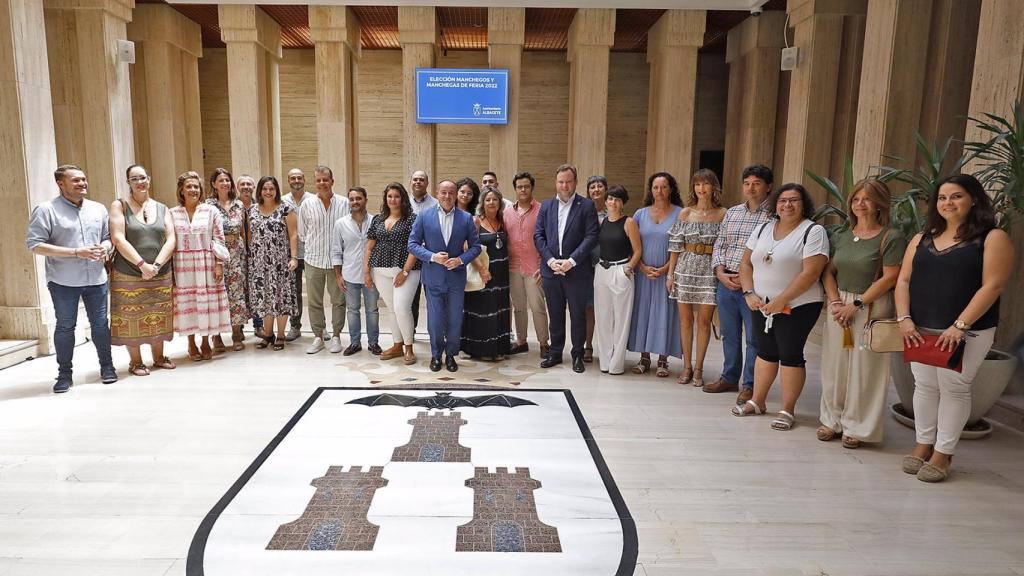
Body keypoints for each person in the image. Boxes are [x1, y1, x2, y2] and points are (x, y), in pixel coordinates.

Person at [896, 174, 1013, 482]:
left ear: (974, 199)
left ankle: (943, 454)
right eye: (942, 197)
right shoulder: (921, 239)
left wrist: (960, 325)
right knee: (924, 386)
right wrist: (904, 318)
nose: (948, 203)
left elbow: (993, 285)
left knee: (954, 388)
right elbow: (904, 280)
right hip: (920, 327)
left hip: (966, 332)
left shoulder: (992, 237)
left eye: (956, 196)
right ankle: (923, 445)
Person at [732, 183, 829, 432]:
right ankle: (758, 401)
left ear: (803, 203)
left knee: (790, 354)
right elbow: (745, 264)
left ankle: (787, 409)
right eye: (783, 200)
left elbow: (811, 272)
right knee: (765, 352)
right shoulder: (763, 228)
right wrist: (749, 292)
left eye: (794, 200)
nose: (787, 205)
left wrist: (782, 299)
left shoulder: (813, 231)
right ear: (775, 204)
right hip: (762, 305)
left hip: (798, 305)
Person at [819, 179, 906, 448]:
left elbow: (891, 277)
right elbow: (827, 272)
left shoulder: (891, 237)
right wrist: (835, 301)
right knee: (834, 364)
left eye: (867, 199)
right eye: (856, 199)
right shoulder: (842, 235)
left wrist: (855, 305)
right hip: (839, 306)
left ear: (880, 203)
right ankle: (831, 419)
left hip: (870, 306)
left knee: (866, 368)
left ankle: (858, 426)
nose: (860, 204)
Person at [26, 165, 117, 392]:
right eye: (76, 180)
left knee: (100, 325)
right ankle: (64, 375)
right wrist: (76, 252)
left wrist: (104, 248)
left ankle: (107, 367)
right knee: (66, 327)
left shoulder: (98, 209)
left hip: (96, 278)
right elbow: (35, 245)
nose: (82, 183)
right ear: (61, 184)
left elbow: (108, 237)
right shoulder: (46, 210)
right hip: (63, 280)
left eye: (84, 179)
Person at [706, 164, 773, 403]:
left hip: (755, 286)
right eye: (747, 183)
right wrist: (720, 272)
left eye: (756, 183)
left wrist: (747, 282)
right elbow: (720, 244)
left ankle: (750, 384)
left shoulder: (774, 216)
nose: (751, 188)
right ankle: (729, 376)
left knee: (754, 337)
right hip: (726, 282)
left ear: (768, 187)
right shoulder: (732, 213)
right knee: (729, 334)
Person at [108, 164, 177, 377]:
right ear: (128, 182)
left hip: (160, 271)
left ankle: (158, 357)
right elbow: (118, 238)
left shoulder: (162, 207)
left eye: (143, 177)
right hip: (128, 271)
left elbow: (171, 237)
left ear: (150, 179)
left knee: (159, 314)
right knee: (132, 317)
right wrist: (141, 265)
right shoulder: (119, 205)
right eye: (135, 178)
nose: (140, 182)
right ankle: (135, 362)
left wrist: (155, 266)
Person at [409, 179, 482, 372]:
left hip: (456, 277)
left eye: (451, 193)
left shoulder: (465, 218)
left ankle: (451, 355)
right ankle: (435, 355)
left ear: (456, 194)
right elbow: (413, 244)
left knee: (455, 318)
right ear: (437, 193)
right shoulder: (424, 216)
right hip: (433, 277)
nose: (447, 196)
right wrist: (432, 257)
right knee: (435, 319)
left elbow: (475, 247)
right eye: (443, 192)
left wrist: (460, 260)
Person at [534, 164, 599, 373]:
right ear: (556, 183)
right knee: (555, 313)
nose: (564, 185)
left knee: (578, 315)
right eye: (561, 181)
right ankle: (555, 353)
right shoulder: (546, 207)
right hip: (551, 270)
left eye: (568, 181)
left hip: (576, 270)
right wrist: (551, 260)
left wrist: (571, 261)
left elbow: (591, 237)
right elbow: (538, 235)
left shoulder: (586, 206)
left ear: (575, 182)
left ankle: (578, 354)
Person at [666, 169, 726, 387]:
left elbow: (725, 245)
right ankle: (686, 366)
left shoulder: (723, 214)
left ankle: (699, 367)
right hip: (685, 267)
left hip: (709, 270)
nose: (701, 189)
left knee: (704, 321)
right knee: (685, 321)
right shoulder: (685, 213)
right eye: (697, 184)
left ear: (713, 187)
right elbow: (675, 246)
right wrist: (670, 274)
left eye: (706, 184)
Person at [170, 171, 231, 362]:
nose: (193, 190)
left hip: (206, 263)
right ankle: (190, 342)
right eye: (189, 186)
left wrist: (219, 263)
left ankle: (205, 341)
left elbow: (219, 238)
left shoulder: (210, 211)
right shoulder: (172, 213)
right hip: (182, 265)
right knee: (188, 304)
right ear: (181, 190)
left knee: (206, 303)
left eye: (196, 186)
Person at [628, 172, 683, 377]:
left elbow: (681, 246)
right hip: (643, 274)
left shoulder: (680, 213)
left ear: (671, 189)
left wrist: (666, 269)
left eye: (664, 187)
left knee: (664, 314)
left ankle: (663, 359)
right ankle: (644, 358)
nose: (659, 191)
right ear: (650, 190)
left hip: (667, 274)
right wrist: (641, 266)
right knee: (642, 312)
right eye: (655, 187)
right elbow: (632, 244)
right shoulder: (640, 214)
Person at [365, 183, 421, 364]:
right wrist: (366, 270)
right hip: (380, 270)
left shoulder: (412, 219)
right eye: (389, 196)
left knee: (402, 308)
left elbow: (415, 247)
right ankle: (397, 345)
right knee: (391, 309)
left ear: (403, 198)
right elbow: (370, 246)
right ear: (385, 198)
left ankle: (409, 348)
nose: (393, 199)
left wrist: (404, 272)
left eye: (396, 196)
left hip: (407, 270)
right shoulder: (378, 220)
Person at [298, 165, 349, 354]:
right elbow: (303, 234)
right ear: (315, 182)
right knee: (314, 302)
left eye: (325, 179)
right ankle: (318, 336)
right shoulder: (307, 204)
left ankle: (336, 336)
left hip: (337, 264)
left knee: (338, 301)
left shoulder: (344, 203)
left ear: (332, 181)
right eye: (318, 180)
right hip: (313, 260)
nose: (322, 183)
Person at [593, 185, 642, 375]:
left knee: (621, 320)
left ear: (623, 203)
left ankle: (616, 364)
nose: (613, 202)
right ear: (605, 202)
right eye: (610, 199)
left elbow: (637, 250)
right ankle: (605, 361)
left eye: (617, 199)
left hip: (621, 270)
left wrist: (628, 268)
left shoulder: (628, 222)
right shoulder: (603, 222)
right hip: (602, 271)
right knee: (603, 318)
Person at [248, 176, 299, 350]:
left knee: (281, 298)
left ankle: (281, 334)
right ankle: (268, 334)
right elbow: (249, 236)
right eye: (265, 189)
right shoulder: (253, 210)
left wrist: (294, 258)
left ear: (276, 190)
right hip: (259, 263)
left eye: (271, 188)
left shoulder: (286, 208)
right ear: (260, 191)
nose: (268, 192)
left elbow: (293, 234)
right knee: (265, 298)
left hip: (280, 262)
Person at [462, 186, 512, 360]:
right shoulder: (476, 221)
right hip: (483, 272)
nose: (491, 202)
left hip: (502, 275)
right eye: (488, 199)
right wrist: (482, 269)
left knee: (499, 310)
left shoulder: (503, 221)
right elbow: (467, 247)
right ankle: (482, 350)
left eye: (495, 199)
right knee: (483, 310)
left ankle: (498, 348)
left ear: (500, 202)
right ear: (482, 203)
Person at [331, 186, 381, 356]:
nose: (355, 202)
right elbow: (336, 251)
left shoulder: (376, 221)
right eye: (352, 199)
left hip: (371, 276)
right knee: (352, 310)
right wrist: (338, 275)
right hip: (349, 274)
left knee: (372, 310)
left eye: (358, 198)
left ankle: (374, 343)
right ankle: (355, 343)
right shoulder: (340, 224)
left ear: (365, 200)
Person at [505, 171, 549, 358]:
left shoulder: (543, 210)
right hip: (513, 268)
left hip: (535, 268)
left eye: (526, 186)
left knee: (538, 306)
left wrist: (544, 266)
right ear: (515, 189)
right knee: (519, 306)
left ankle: (543, 343)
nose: (523, 189)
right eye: (519, 186)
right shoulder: (507, 212)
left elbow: (549, 240)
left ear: (532, 188)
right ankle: (521, 341)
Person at [206, 168, 249, 352]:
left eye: (227, 180)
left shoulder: (238, 205)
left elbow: (243, 231)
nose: (225, 183)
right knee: (216, 293)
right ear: (214, 184)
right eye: (221, 180)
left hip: (237, 254)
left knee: (236, 294)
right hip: (216, 253)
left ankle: (237, 334)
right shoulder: (208, 206)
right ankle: (216, 337)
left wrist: (246, 251)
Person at [282, 168, 315, 341]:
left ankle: (320, 327)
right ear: (288, 180)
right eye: (293, 178)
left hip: (311, 252)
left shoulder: (313, 199)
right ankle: (295, 327)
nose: (296, 180)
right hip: (291, 254)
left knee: (314, 293)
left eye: (299, 177)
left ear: (304, 179)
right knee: (294, 293)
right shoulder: (282, 201)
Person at [583, 174, 608, 363]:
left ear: (606, 190)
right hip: (585, 266)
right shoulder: (583, 211)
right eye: (592, 187)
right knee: (589, 308)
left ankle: (608, 347)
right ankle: (588, 346)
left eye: (600, 186)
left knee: (608, 309)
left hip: (607, 265)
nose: (596, 190)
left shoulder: (613, 211)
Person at [236, 174, 264, 338]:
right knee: (238, 290)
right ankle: (238, 328)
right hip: (238, 255)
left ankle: (258, 325)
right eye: (243, 184)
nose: (246, 187)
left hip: (257, 255)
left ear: (254, 188)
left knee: (256, 289)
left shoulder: (259, 206)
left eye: (249, 184)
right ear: (237, 187)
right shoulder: (233, 207)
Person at [409, 170, 436, 331]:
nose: (418, 182)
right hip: (409, 257)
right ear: (411, 182)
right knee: (411, 297)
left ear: (427, 183)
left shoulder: (436, 204)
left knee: (432, 296)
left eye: (421, 179)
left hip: (429, 257)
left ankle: (435, 332)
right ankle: (409, 332)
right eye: (415, 179)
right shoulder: (403, 203)